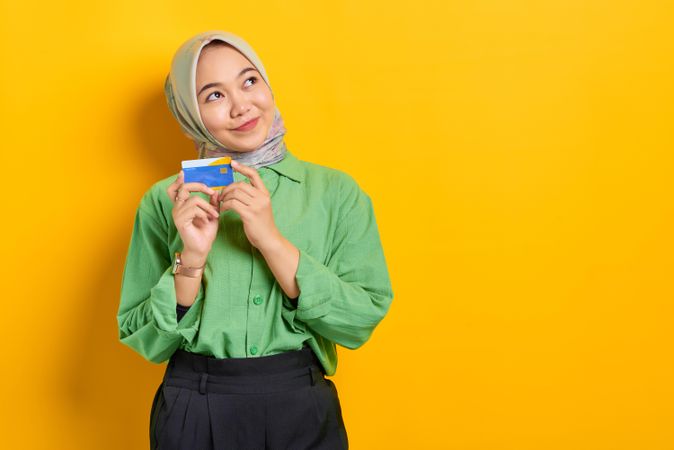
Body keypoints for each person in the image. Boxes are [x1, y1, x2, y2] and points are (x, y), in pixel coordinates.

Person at [117, 30, 394, 450]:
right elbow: (146, 341)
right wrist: (191, 257)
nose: (241, 106)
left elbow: (359, 321)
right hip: (195, 405)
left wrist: (271, 241)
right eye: (213, 95)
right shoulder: (167, 200)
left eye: (249, 81)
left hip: (300, 406)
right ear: (190, 114)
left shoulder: (337, 192)